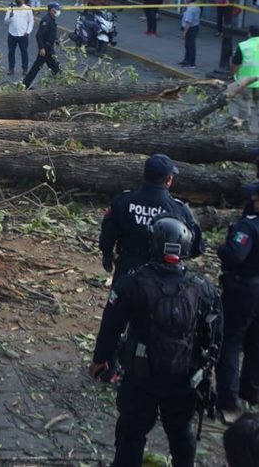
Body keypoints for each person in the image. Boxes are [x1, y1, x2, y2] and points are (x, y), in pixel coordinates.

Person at [88, 217, 222, 467]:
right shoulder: (203, 287)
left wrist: (99, 360)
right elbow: (216, 334)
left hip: (141, 378)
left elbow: (110, 327)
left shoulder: (131, 283)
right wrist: (208, 369)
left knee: (131, 435)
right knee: (181, 434)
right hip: (183, 377)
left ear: (153, 244)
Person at [99, 153, 204, 280]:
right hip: (163, 277)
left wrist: (107, 254)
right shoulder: (179, 210)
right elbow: (196, 246)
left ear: (145, 175)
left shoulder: (123, 201)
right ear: (168, 180)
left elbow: (108, 231)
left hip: (127, 270)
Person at [217, 184, 259, 424]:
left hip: (245, 289)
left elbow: (235, 255)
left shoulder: (248, 227)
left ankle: (229, 400)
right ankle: (251, 391)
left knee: (230, 342)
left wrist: (223, 247)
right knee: (255, 341)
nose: (252, 197)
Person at [22, 2, 62, 89]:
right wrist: (42, 48)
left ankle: (24, 85)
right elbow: (39, 35)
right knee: (56, 68)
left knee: (36, 67)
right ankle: (62, 85)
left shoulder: (51, 19)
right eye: (56, 9)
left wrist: (56, 40)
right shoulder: (46, 20)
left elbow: (50, 33)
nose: (58, 11)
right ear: (51, 10)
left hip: (48, 47)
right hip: (47, 48)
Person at [231, 25, 259, 130]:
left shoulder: (244, 46)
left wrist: (231, 75)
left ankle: (243, 127)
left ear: (250, 33)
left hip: (245, 82)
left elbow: (236, 63)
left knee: (244, 103)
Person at [4, 0, 33, 76]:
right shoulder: (11, 8)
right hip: (12, 34)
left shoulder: (28, 9)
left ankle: (25, 69)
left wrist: (28, 32)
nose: (18, 0)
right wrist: (10, 16)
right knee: (11, 52)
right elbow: (5, 21)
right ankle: (11, 68)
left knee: (24, 52)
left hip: (23, 35)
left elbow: (31, 22)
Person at [179, 0, 201, 68]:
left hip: (191, 29)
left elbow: (188, 22)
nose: (184, 0)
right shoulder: (196, 6)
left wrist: (184, 32)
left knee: (190, 46)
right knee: (188, 45)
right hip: (195, 27)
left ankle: (191, 62)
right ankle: (186, 60)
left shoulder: (190, 9)